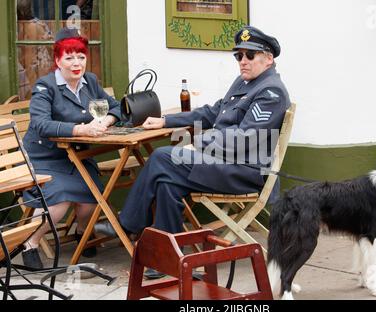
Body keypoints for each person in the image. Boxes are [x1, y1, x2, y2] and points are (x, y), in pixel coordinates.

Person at [95, 25, 290, 278]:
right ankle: (168, 259)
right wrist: (165, 121)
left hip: (246, 172)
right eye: (238, 55)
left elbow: (243, 140)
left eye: (249, 55)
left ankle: (129, 223)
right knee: (167, 182)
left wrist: (196, 142)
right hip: (224, 163)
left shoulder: (270, 91)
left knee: (163, 156)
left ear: (268, 58)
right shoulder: (246, 82)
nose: (242, 61)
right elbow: (212, 112)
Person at [21, 27, 121, 269]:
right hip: (44, 157)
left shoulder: (90, 82)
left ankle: (81, 232)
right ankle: (30, 243)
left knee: (92, 197)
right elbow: (41, 124)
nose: (76, 63)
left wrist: (105, 120)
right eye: (69, 57)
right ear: (58, 60)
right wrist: (81, 129)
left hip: (76, 156)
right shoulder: (45, 87)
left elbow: (116, 108)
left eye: (81, 57)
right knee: (61, 197)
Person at [17, 0, 54, 99]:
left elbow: (30, 58)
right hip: (43, 68)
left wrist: (31, 87)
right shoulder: (36, 22)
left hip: (37, 70)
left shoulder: (30, 26)